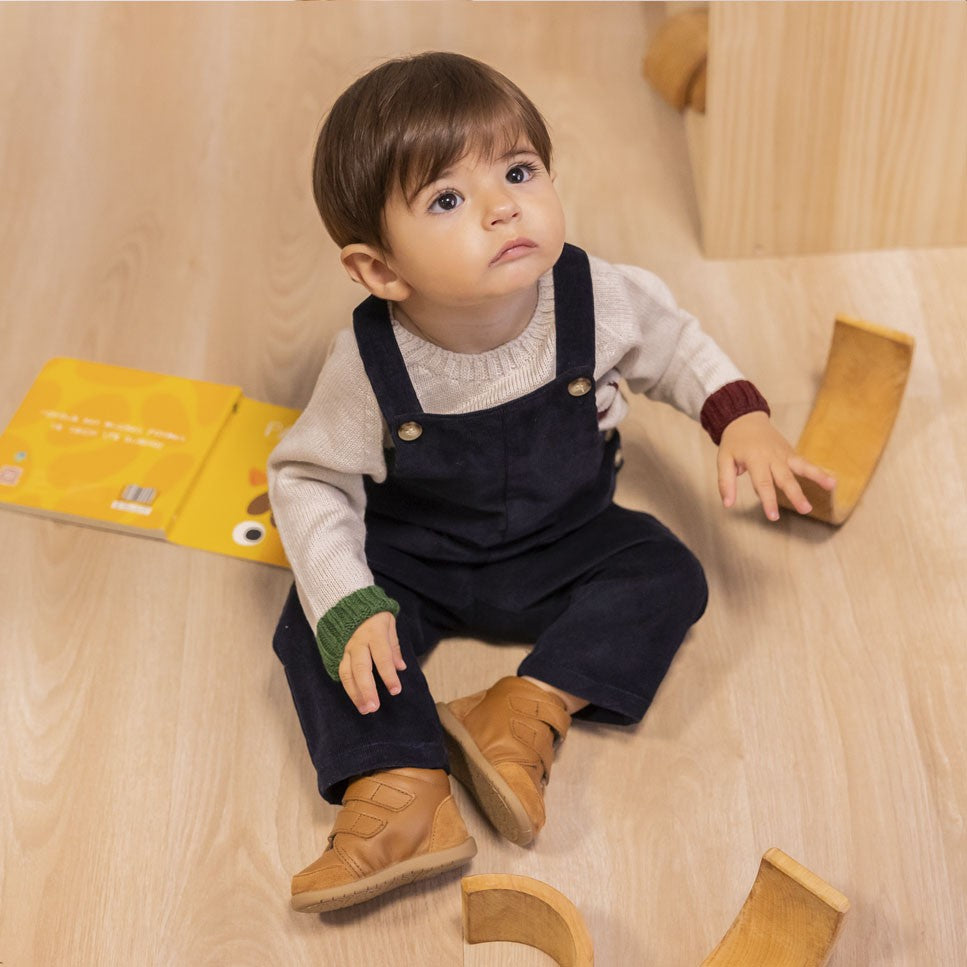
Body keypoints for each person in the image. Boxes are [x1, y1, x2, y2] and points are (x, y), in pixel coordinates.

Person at [267, 51, 835, 914]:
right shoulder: (369, 363)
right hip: (415, 557)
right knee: (310, 624)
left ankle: (524, 706)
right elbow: (310, 478)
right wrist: (350, 602)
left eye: (519, 171)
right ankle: (400, 784)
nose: (502, 207)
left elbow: (673, 346)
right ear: (381, 269)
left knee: (667, 572)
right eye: (447, 200)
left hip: (565, 538)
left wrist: (739, 417)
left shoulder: (593, 296)